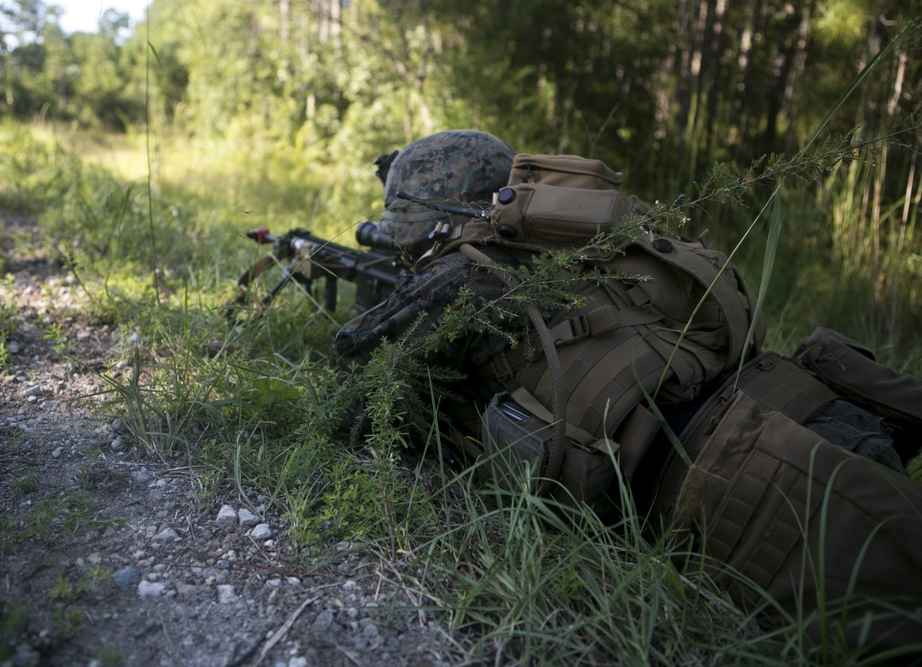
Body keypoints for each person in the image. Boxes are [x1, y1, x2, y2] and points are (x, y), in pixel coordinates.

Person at [334, 129, 922, 653]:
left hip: (763, 481)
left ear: (428, 224)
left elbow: (351, 398)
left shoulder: (466, 272)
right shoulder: (590, 241)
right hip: (812, 405)